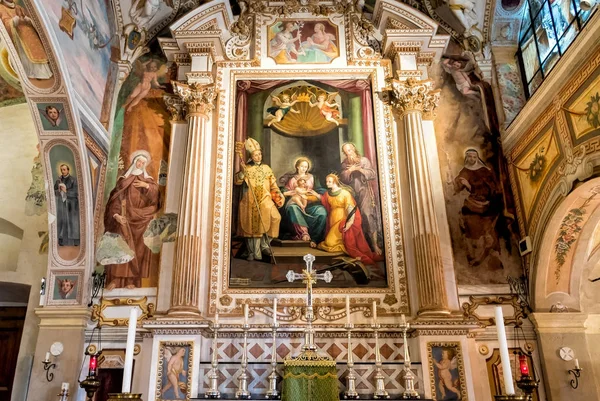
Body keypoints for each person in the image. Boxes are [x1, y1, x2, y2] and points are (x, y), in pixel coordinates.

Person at [104, 151, 160, 289]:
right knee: (121, 248)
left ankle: (132, 281)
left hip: (141, 221)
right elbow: (115, 199)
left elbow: (156, 199)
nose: (140, 164)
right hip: (124, 219)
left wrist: (146, 186)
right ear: (134, 162)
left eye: (143, 162)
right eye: (138, 162)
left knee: (138, 251)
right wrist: (116, 215)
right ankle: (116, 280)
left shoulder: (148, 181)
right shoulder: (124, 180)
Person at [234, 139, 284, 261]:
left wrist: (279, 195)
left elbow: (273, 184)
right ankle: (254, 252)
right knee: (253, 227)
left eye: (260, 154)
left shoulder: (267, 168)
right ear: (251, 156)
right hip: (250, 200)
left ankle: (264, 245)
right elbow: (238, 181)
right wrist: (242, 172)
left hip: (265, 198)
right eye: (256, 154)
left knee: (276, 218)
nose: (258, 156)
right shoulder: (247, 168)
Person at [454, 149, 504, 270]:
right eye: (469, 157)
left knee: (488, 232)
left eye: (474, 156)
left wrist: (470, 186)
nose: (471, 159)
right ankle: (474, 256)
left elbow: (491, 188)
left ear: (477, 158)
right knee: (470, 228)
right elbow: (458, 185)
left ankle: (492, 257)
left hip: (486, 205)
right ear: (466, 158)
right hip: (472, 205)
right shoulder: (465, 171)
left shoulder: (485, 171)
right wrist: (456, 182)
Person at [316, 174, 381, 266]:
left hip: (342, 221)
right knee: (331, 242)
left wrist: (350, 222)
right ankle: (346, 247)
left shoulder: (344, 193)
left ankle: (349, 250)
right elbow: (324, 200)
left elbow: (351, 208)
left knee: (329, 243)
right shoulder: (328, 193)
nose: (327, 183)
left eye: (329, 181)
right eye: (326, 181)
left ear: (335, 182)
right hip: (333, 220)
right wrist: (315, 195)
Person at [340, 143, 383, 255]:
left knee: (367, 215)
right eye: (346, 151)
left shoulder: (364, 160)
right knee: (354, 217)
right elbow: (344, 179)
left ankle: (374, 244)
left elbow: (372, 174)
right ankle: (359, 245)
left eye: (349, 149)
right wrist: (349, 171)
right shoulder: (345, 163)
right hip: (352, 192)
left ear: (354, 148)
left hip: (364, 191)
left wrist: (359, 169)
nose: (348, 152)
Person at [279, 157, 327, 244]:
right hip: (296, 203)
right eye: (302, 166)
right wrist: (289, 192)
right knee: (292, 208)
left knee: (322, 211)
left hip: (310, 204)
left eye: (306, 167)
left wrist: (317, 194)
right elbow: (285, 190)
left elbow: (319, 189)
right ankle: (303, 233)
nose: (304, 168)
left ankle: (315, 238)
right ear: (297, 167)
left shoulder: (312, 177)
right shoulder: (292, 178)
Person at [0, 3, 53, 80]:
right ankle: (32, 73)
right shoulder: (1, 8)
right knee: (27, 54)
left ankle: (44, 72)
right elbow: (5, 23)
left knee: (38, 50)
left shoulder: (17, 6)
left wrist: (28, 20)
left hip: (30, 32)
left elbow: (28, 17)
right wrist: (15, 20)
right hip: (19, 34)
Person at [54, 164, 80, 247]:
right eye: (61, 170)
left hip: (71, 205)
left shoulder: (73, 180)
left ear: (68, 170)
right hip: (62, 204)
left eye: (64, 169)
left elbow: (76, 193)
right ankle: (62, 240)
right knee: (62, 221)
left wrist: (66, 191)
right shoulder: (59, 180)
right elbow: (54, 191)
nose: (63, 171)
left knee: (72, 223)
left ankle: (75, 241)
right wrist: (59, 189)